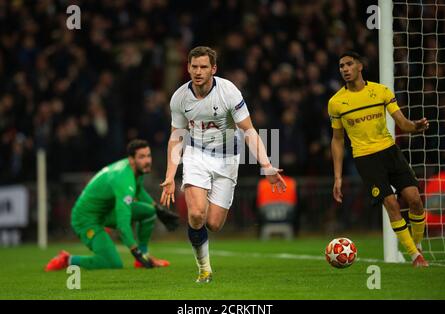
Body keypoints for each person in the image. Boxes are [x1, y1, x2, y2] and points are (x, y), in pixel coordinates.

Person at [160, 46, 287, 283]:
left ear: (213, 69)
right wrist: (170, 176)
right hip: (196, 154)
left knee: (214, 223)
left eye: (203, 67)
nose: (198, 71)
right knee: (197, 214)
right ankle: (204, 270)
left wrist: (267, 166)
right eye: (194, 66)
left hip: (228, 157)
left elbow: (248, 131)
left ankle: (203, 207)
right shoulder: (179, 97)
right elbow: (176, 136)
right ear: (188, 68)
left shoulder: (228, 91)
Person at [328, 51, 430, 267]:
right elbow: (337, 140)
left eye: (349, 64)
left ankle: (417, 245)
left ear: (360, 66)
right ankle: (415, 256)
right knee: (391, 203)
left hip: (390, 152)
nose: (344, 69)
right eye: (341, 66)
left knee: (415, 200)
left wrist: (415, 127)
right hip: (366, 159)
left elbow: (402, 123)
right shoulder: (336, 103)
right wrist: (337, 177)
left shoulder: (381, 91)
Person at [45, 139, 180, 271]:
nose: (147, 161)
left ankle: (144, 257)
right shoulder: (124, 179)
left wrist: (157, 208)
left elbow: (139, 190)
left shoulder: (136, 170)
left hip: (106, 212)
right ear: (131, 159)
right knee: (112, 263)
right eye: (142, 157)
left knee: (150, 212)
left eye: (148, 156)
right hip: (87, 219)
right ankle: (67, 259)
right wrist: (135, 251)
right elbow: (123, 223)